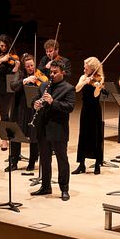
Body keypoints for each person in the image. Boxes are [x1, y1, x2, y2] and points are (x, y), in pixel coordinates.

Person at [30, 60, 76, 201]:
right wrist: (35, 104)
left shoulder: (68, 88)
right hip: (43, 127)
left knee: (62, 159)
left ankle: (64, 188)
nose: (52, 74)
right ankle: (45, 186)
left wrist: (53, 102)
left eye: (55, 72)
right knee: (44, 158)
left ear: (62, 72)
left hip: (58, 129)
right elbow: (34, 99)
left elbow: (70, 107)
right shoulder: (44, 85)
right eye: (51, 72)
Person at [7, 54, 41, 172]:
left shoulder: (39, 74)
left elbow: (46, 86)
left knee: (33, 135)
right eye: (28, 66)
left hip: (33, 109)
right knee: (16, 135)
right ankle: (14, 162)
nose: (31, 68)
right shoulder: (20, 75)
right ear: (24, 67)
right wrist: (25, 81)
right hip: (20, 108)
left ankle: (32, 162)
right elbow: (13, 85)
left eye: (32, 65)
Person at [72, 57, 105, 175]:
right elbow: (76, 89)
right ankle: (81, 164)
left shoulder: (99, 78)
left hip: (95, 110)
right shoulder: (83, 77)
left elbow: (96, 96)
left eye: (86, 67)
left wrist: (97, 87)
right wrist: (85, 81)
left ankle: (97, 164)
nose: (84, 69)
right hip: (85, 109)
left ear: (92, 68)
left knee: (95, 135)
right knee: (83, 135)